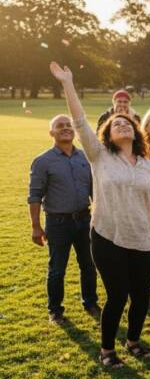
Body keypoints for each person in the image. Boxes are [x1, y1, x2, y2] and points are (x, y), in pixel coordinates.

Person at [50, 62, 150, 368]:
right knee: (117, 295)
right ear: (107, 133)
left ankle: (133, 341)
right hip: (107, 235)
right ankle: (107, 350)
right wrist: (68, 83)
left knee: (141, 298)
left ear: (135, 131)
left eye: (127, 124)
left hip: (141, 239)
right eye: (116, 124)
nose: (122, 125)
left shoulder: (147, 165)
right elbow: (79, 121)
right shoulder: (99, 156)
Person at [28, 114, 99, 325]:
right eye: (60, 126)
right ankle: (55, 310)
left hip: (85, 220)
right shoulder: (43, 161)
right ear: (52, 132)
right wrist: (35, 227)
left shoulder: (85, 158)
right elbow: (34, 195)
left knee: (88, 264)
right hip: (58, 223)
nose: (66, 128)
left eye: (69, 125)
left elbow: (95, 191)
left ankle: (90, 302)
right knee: (57, 268)